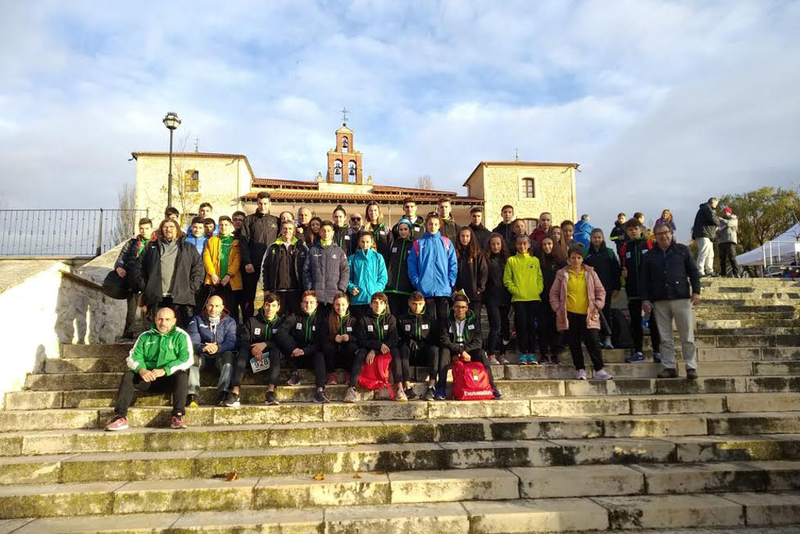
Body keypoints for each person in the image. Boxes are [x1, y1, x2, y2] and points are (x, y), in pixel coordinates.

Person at [105, 307, 192, 431]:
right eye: (160, 319)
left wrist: (165, 370)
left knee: (182, 375)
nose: (163, 323)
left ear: (174, 321)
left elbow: (186, 359)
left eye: (167, 319)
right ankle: (120, 417)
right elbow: (133, 357)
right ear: (155, 320)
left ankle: (177, 416)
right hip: (147, 379)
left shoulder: (181, 336)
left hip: (168, 379)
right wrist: (142, 370)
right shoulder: (145, 336)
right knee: (129, 375)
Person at [641, 223, 702, 379]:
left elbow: (694, 272)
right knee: (664, 336)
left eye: (666, 233)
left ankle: (690, 366)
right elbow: (644, 279)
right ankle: (669, 366)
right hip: (659, 300)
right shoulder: (649, 256)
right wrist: (645, 299)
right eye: (659, 234)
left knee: (687, 335)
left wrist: (696, 291)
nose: (664, 236)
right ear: (655, 236)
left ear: (671, 233)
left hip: (681, 298)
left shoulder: (682, 251)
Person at [549, 245, 612, 381]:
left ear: (582, 258)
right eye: (573, 258)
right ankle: (580, 369)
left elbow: (601, 291)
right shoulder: (562, 274)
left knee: (593, 341)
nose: (576, 261)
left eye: (578, 257)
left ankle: (599, 369)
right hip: (569, 314)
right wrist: (557, 308)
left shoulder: (590, 273)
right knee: (574, 343)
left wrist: (598, 304)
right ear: (568, 259)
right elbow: (553, 293)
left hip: (588, 313)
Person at [134, 218, 204, 329]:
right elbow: (138, 268)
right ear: (161, 230)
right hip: (157, 296)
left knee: (179, 331)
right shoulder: (151, 247)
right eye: (165, 227)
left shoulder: (188, 248)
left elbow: (199, 269)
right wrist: (147, 287)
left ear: (177, 229)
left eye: (171, 227)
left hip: (180, 298)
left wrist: (190, 288)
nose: (168, 229)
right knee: (157, 330)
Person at [232, 292, 292, 406]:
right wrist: (254, 350)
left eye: (273, 306)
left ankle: (270, 392)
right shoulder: (252, 321)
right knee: (243, 351)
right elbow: (243, 340)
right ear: (263, 305)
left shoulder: (282, 323)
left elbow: (283, 343)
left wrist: (265, 344)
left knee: (275, 351)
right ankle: (235, 393)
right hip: (253, 358)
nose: (270, 309)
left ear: (278, 308)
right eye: (267, 305)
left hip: (273, 359)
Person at [438, 294, 501, 400]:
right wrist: (459, 351)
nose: (460, 310)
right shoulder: (446, 320)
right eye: (457, 307)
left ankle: (492, 387)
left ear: (467, 308)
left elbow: (478, 342)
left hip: (469, 350)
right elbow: (445, 340)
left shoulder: (473, 320)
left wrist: (464, 351)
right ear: (453, 307)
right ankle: (441, 388)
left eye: (463, 307)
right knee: (444, 352)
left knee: (481, 353)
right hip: (452, 349)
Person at [344, 292, 400, 402]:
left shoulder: (390, 318)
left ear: (385, 305)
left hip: (386, 348)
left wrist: (376, 350)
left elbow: (394, 339)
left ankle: (400, 388)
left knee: (397, 352)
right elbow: (361, 340)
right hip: (369, 347)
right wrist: (377, 346)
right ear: (370, 304)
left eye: (381, 303)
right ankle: (352, 389)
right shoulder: (363, 319)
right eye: (375, 303)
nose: (378, 305)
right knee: (360, 354)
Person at [620, 219, 661, 363]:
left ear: (640, 229)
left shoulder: (649, 245)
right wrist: (623, 273)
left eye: (635, 228)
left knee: (654, 322)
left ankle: (657, 351)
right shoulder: (625, 248)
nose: (633, 231)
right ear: (627, 232)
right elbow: (623, 267)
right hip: (633, 291)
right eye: (630, 229)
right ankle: (638, 351)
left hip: (650, 292)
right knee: (635, 322)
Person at [407, 214, 458, 328]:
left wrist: (450, 282)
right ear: (426, 225)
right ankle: (431, 344)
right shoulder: (418, 244)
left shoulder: (446, 243)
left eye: (435, 224)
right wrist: (417, 281)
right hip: (425, 289)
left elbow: (453, 264)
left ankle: (443, 343)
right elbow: (412, 265)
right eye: (430, 224)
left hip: (443, 289)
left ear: (439, 225)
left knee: (443, 319)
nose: (432, 226)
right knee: (428, 320)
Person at [186, 295, 237, 407]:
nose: (213, 309)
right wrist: (203, 347)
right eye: (211, 305)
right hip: (202, 355)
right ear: (207, 305)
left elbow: (231, 342)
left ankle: (223, 392)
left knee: (229, 356)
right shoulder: (196, 320)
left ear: (222, 307)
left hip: (220, 355)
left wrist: (218, 347)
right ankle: (192, 394)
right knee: (192, 358)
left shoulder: (230, 321)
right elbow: (192, 341)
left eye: (217, 306)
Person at [503, 234, 544, 365]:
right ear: (516, 245)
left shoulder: (535, 260)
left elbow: (539, 278)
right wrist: (515, 290)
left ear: (529, 245)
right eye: (519, 244)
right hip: (518, 299)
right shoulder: (511, 260)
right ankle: (522, 352)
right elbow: (507, 279)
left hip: (533, 298)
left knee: (531, 326)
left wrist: (538, 289)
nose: (522, 246)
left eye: (525, 243)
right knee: (521, 326)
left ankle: (531, 353)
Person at [114, 217, 154, 340]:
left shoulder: (156, 244)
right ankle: (127, 335)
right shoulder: (131, 243)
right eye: (141, 228)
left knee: (149, 311)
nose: (144, 231)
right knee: (131, 312)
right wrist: (119, 267)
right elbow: (121, 258)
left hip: (149, 281)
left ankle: (149, 336)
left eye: (146, 228)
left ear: (151, 229)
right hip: (132, 281)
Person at [240, 192, 279, 318]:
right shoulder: (249, 220)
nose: (263, 206)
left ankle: (268, 322)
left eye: (265, 203)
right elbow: (243, 242)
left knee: (270, 296)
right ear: (257, 203)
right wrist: (247, 262)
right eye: (260, 203)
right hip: (252, 264)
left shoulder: (275, 221)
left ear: (270, 204)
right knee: (248, 296)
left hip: (270, 265)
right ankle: (248, 322)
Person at [285, 290, 329, 402]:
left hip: (311, 354)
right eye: (305, 302)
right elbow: (281, 332)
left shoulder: (321, 320)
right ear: (301, 304)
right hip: (295, 355)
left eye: (311, 302)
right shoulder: (294, 316)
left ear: (316, 304)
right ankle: (294, 375)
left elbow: (321, 342)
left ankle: (320, 390)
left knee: (320, 355)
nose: (308, 305)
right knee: (288, 344)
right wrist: (293, 348)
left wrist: (305, 351)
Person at [584, 229, 621, 349]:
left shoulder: (609, 253)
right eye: (594, 237)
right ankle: (596, 338)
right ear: (591, 239)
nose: (597, 240)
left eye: (599, 237)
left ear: (603, 238)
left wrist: (616, 287)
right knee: (592, 314)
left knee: (606, 312)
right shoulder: (586, 253)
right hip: (590, 289)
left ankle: (608, 338)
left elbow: (616, 270)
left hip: (606, 288)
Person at [262, 219, 308, 316]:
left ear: (294, 231)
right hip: (277, 291)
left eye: (290, 229)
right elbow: (265, 269)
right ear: (281, 230)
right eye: (285, 228)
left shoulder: (302, 247)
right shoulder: (272, 247)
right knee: (277, 319)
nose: (287, 231)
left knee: (296, 319)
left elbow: (308, 269)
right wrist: (266, 289)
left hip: (296, 291)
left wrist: (307, 288)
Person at [398, 291, 438, 401]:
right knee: (403, 349)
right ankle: (407, 386)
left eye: (420, 304)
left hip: (424, 354)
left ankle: (432, 386)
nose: (417, 307)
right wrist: (408, 341)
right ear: (409, 303)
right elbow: (398, 338)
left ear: (424, 303)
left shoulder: (429, 319)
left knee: (435, 350)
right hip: (409, 355)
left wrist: (425, 343)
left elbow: (435, 339)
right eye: (414, 304)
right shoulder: (402, 319)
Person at [302, 220, 350, 310]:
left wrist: (341, 289)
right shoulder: (312, 250)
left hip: (334, 297)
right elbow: (306, 271)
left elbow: (345, 271)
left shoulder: (339, 251)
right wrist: (310, 288)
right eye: (323, 230)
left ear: (332, 233)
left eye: (328, 231)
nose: (326, 233)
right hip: (316, 297)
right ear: (320, 232)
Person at [202, 216, 242, 323]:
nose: (223, 227)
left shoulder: (236, 241)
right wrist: (213, 274)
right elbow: (206, 258)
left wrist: (229, 275)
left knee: (231, 309)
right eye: (221, 225)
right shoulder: (212, 240)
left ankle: (232, 331)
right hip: (215, 280)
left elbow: (237, 260)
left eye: (226, 225)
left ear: (230, 226)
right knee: (213, 308)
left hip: (230, 281)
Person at [536, 235, 567, 364]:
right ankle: (544, 353)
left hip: (557, 299)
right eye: (544, 244)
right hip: (541, 298)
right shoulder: (538, 261)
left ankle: (555, 353)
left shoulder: (561, 262)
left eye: (549, 244)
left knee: (556, 327)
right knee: (542, 326)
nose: (547, 247)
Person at [484, 233, 512, 365]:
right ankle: (491, 353)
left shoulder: (507, 259)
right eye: (493, 244)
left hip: (505, 296)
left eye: (498, 244)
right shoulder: (486, 259)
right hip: (491, 297)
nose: (495, 246)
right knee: (496, 325)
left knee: (505, 326)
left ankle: (502, 353)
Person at [348, 230, 388, 318]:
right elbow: (347, 278)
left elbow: (383, 277)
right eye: (362, 242)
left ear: (371, 242)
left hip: (373, 300)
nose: (365, 244)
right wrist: (351, 287)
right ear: (359, 242)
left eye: (367, 242)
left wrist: (377, 289)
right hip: (358, 299)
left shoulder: (378, 257)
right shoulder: (352, 258)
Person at [322, 292, 359, 386]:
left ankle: (348, 373)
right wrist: (334, 338)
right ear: (334, 305)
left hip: (347, 353)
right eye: (337, 304)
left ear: (347, 305)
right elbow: (322, 336)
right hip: (333, 353)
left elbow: (359, 337)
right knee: (327, 346)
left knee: (352, 346)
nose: (340, 307)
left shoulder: (353, 320)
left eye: (343, 304)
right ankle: (331, 374)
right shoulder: (327, 319)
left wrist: (349, 337)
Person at [453, 227, 488, 318]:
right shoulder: (454, 252)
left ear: (471, 237)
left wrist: (480, 289)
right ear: (459, 237)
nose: (465, 238)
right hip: (459, 293)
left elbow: (483, 271)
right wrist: (454, 289)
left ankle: (476, 333)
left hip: (474, 294)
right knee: (460, 319)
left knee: (474, 319)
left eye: (467, 236)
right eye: (463, 236)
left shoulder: (477, 253)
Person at [385, 219, 415, 315]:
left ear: (409, 230)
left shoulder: (413, 245)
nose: (403, 232)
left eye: (405, 229)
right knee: (394, 314)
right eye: (401, 229)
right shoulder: (393, 243)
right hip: (392, 287)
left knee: (404, 315)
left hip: (406, 288)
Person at [692, 199, 721, 274]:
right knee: (704, 252)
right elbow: (714, 219)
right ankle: (700, 270)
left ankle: (709, 270)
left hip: (707, 234)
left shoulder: (706, 208)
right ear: (713, 202)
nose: (716, 206)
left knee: (710, 253)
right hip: (703, 233)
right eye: (716, 204)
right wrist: (718, 222)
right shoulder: (707, 208)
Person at [718, 206, 739, 277]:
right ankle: (723, 273)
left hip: (730, 240)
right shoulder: (721, 221)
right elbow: (718, 230)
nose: (723, 213)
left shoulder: (733, 218)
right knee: (722, 259)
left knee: (732, 257)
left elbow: (729, 223)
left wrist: (721, 219)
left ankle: (736, 272)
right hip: (721, 241)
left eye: (725, 212)